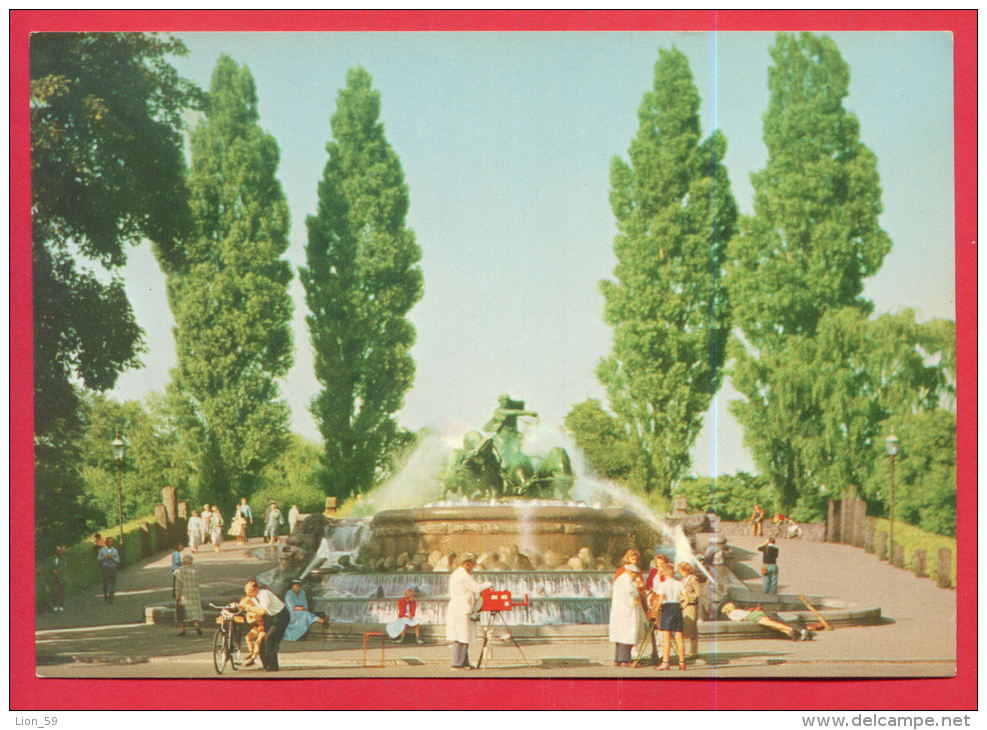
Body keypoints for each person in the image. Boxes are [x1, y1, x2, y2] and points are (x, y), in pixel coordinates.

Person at [446, 553, 492, 669]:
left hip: (460, 607)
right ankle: (457, 663)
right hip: (461, 608)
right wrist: (489, 584)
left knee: (463, 636)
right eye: (472, 565)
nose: (473, 567)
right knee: (461, 636)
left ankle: (464, 662)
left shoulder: (459, 573)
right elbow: (476, 588)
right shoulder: (462, 575)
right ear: (467, 564)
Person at [609, 548, 647, 667]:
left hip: (622, 609)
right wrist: (639, 591)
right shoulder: (625, 578)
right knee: (627, 634)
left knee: (621, 634)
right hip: (626, 609)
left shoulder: (624, 577)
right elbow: (631, 591)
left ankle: (618, 659)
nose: (635, 575)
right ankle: (625, 660)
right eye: (634, 573)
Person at [244, 579, 290, 671]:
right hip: (270, 616)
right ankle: (266, 664)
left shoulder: (264, 594)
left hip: (281, 616)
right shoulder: (253, 597)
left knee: (270, 638)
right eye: (247, 592)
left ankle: (272, 666)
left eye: (250, 591)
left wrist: (249, 608)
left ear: (256, 589)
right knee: (262, 640)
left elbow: (262, 611)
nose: (248, 594)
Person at [720, 601, 811, 641]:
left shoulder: (731, 614)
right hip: (756, 614)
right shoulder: (737, 610)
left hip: (753, 617)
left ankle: (792, 630)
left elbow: (741, 619)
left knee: (773, 623)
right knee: (773, 625)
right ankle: (792, 633)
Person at [654, 563, 686, 670]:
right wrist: (682, 606)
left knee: (666, 638)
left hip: (667, 608)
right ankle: (682, 662)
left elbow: (661, 599)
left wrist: (656, 611)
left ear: (664, 573)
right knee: (679, 637)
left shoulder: (662, 584)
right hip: (677, 607)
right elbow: (686, 598)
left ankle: (666, 662)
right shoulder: (679, 583)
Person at [174, 554, 204, 636]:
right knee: (195, 610)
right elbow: (198, 582)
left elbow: (178, 584)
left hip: (184, 593)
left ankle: (182, 629)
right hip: (194, 592)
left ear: (183, 561)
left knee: (182, 611)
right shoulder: (195, 570)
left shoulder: (179, 571)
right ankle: (196, 625)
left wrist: (177, 594)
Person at [678, 562, 702, 660]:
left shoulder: (693, 579)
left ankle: (694, 651)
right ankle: (690, 650)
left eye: (682, 570)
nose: (681, 573)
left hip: (691, 605)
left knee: (691, 627)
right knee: (685, 627)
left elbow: (698, 593)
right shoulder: (682, 579)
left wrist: (688, 597)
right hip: (683, 605)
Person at [239, 596, 267, 666]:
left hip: (264, 627)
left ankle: (253, 658)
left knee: (258, 641)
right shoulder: (249, 612)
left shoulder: (258, 607)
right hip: (257, 627)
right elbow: (249, 621)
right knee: (248, 637)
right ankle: (251, 652)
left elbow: (262, 614)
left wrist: (256, 618)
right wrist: (254, 619)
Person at [97, 537, 120, 603]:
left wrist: (112, 558)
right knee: (105, 583)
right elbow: (98, 559)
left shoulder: (115, 550)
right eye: (109, 542)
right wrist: (104, 557)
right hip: (105, 567)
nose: (110, 543)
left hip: (112, 567)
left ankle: (111, 598)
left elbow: (118, 560)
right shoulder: (102, 550)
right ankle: (105, 595)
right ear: (106, 543)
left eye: (112, 542)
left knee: (112, 583)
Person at [48, 546, 66, 612]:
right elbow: (49, 565)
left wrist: (58, 570)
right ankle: (55, 606)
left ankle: (61, 606)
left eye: (60, 550)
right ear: (55, 551)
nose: (59, 551)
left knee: (61, 592)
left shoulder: (63, 558)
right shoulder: (51, 558)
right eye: (57, 550)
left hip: (61, 577)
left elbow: (64, 565)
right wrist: (52, 570)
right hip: (53, 577)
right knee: (54, 591)